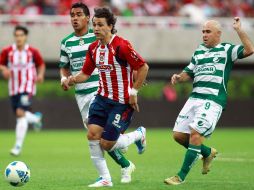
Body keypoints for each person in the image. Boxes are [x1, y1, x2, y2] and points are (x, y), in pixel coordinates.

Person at [60, 3, 147, 187]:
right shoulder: (93, 48)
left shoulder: (121, 45)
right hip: (101, 99)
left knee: (107, 143)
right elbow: (84, 74)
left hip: (120, 103)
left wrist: (134, 91)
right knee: (92, 135)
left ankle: (138, 135)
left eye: (100, 25)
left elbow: (143, 67)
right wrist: (71, 79)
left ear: (110, 26)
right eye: (95, 25)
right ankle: (105, 178)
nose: (96, 28)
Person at [164, 17, 254, 185]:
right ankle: (207, 153)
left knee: (195, 135)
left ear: (218, 34)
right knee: (178, 136)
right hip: (194, 98)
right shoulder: (198, 51)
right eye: (203, 32)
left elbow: (250, 49)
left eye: (208, 32)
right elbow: (188, 72)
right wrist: (178, 77)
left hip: (212, 100)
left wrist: (239, 30)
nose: (204, 35)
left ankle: (180, 176)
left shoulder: (226, 50)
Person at [0, 25, 45, 156]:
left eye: (21, 35)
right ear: (14, 36)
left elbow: (41, 64)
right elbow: (1, 63)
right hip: (13, 88)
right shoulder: (8, 51)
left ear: (25, 37)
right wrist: (4, 69)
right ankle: (36, 119)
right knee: (21, 115)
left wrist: (40, 74)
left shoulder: (32, 51)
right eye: (17, 35)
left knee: (20, 113)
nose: (19, 38)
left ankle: (17, 146)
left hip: (27, 87)